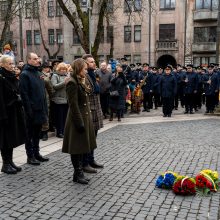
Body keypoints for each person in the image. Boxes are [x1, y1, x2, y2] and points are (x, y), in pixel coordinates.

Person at [62, 58, 97, 184]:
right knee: (76, 148)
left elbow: (91, 90)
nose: (86, 71)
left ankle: (78, 173)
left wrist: (84, 79)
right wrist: (79, 122)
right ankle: (78, 173)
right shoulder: (72, 82)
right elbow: (73, 105)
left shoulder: (81, 80)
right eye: (85, 69)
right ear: (79, 69)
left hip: (84, 117)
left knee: (82, 147)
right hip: (77, 119)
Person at [19, 52, 49, 165]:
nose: (38, 60)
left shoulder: (38, 72)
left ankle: (37, 153)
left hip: (40, 109)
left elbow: (42, 93)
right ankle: (30, 156)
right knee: (30, 134)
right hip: (31, 110)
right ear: (29, 60)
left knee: (37, 134)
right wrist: (29, 110)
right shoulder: (25, 74)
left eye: (38, 58)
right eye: (35, 59)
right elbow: (24, 94)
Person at [0, 55, 26, 174]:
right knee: (5, 139)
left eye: (12, 63)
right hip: (5, 113)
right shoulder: (1, 78)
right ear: (2, 64)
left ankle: (10, 161)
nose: (12, 66)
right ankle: (5, 164)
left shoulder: (11, 76)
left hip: (14, 112)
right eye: (9, 64)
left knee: (11, 138)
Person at [82, 54, 104, 173]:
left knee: (93, 138)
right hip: (89, 111)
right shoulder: (84, 76)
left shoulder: (93, 75)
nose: (94, 63)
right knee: (88, 139)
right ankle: (84, 163)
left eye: (94, 61)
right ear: (85, 63)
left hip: (96, 110)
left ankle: (91, 159)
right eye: (91, 62)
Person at [51, 62, 69, 138]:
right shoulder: (55, 76)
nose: (63, 71)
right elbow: (55, 86)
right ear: (58, 69)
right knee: (59, 117)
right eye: (62, 69)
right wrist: (64, 82)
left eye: (65, 69)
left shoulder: (67, 76)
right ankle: (59, 132)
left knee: (65, 117)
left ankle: (64, 131)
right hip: (58, 100)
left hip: (66, 99)